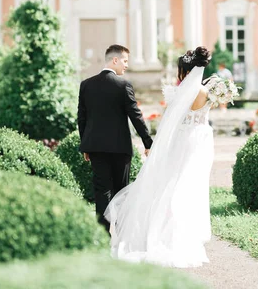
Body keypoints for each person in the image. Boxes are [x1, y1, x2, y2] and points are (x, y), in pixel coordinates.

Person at [104, 46, 215, 268]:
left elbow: (173, 120)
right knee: (189, 184)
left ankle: (167, 229)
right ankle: (179, 234)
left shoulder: (185, 90)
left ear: (185, 70)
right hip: (198, 140)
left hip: (184, 140)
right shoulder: (205, 91)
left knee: (176, 181)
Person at [77, 44, 153, 233]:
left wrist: (85, 145)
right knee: (121, 191)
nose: (127, 65)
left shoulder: (86, 84)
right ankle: (120, 234)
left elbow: (82, 118)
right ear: (115, 60)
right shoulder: (123, 85)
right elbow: (135, 115)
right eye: (125, 61)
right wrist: (148, 142)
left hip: (95, 147)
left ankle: (103, 237)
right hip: (120, 148)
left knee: (102, 191)